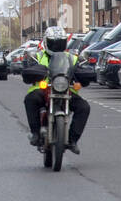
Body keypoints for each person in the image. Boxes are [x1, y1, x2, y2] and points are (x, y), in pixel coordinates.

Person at [22, 25, 90, 153]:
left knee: (84, 107)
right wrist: (33, 71)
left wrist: (84, 74)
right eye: (53, 43)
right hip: (43, 90)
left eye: (60, 43)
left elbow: (81, 69)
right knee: (30, 99)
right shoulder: (38, 56)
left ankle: (72, 140)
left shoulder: (72, 58)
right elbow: (28, 69)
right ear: (46, 42)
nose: (56, 46)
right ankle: (35, 133)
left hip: (66, 90)